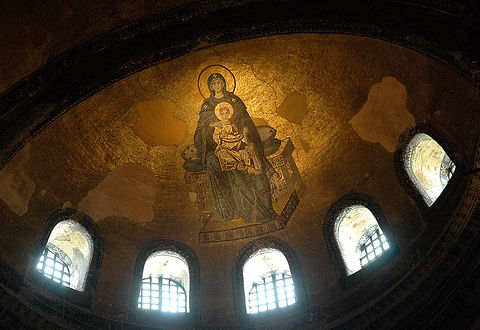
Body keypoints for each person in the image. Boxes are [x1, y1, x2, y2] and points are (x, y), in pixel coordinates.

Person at [194, 72, 277, 222]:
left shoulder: (234, 100)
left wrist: (247, 138)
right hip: (220, 147)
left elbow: (246, 122)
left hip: (241, 142)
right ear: (210, 87)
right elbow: (201, 131)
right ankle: (228, 210)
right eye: (214, 84)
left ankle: (265, 208)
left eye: (220, 82)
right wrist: (211, 126)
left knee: (254, 162)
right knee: (216, 163)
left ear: (224, 83)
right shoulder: (207, 106)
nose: (217, 85)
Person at [210, 102, 260, 174]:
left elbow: (237, 133)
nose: (225, 115)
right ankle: (237, 165)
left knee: (244, 152)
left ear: (229, 113)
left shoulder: (232, 124)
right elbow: (215, 137)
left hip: (236, 145)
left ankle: (250, 168)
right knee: (222, 153)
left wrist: (237, 136)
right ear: (220, 115)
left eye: (227, 113)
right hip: (225, 146)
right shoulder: (219, 125)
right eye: (223, 113)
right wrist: (221, 136)